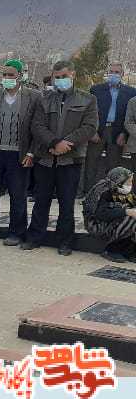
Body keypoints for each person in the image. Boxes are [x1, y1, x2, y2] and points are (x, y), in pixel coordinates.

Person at [23, 60, 98, 255]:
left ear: (73, 74)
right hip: (45, 159)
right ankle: (34, 237)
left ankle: (65, 242)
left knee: (66, 203)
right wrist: (54, 143)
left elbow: (90, 127)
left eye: (64, 76)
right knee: (41, 201)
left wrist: (66, 144)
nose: (60, 80)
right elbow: (37, 126)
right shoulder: (44, 99)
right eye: (57, 77)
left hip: (71, 160)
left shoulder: (88, 99)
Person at [0, 59, 40, 246]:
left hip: (18, 155)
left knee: (18, 195)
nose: (7, 78)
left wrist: (31, 153)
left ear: (19, 76)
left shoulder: (33, 97)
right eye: (4, 75)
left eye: (11, 75)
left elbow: (36, 128)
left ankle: (16, 233)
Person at [84, 63, 135, 193]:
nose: (114, 74)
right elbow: (89, 112)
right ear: (107, 73)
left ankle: (108, 194)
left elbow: (129, 116)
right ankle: (88, 192)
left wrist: (124, 134)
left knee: (113, 166)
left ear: (122, 74)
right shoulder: (96, 89)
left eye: (117, 72)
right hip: (98, 131)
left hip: (117, 133)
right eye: (111, 71)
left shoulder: (131, 92)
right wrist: (92, 131)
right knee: (91, 163)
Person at [83, 167, 136, 263]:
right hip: (97, 224)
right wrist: (126, 211)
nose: (130, 184)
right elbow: (100, 214)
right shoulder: (102, 191)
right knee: (130, 218)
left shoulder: (123, 190)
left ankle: (130, 251)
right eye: (128, 182)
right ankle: (112, 249)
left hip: (113, 221)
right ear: (119, 181)